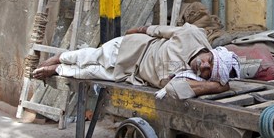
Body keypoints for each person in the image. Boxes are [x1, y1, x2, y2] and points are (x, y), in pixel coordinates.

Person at [32, 23, 240, 99]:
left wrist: (216, 87)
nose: (204, 66)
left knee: (88, 73)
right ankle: (59, 57)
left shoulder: (189, 78)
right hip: (133, 47)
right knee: (90, 56)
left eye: (208, 71)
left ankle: (58, 69)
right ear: (212, 52)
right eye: (209, 60)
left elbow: (176, 90)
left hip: (130, 74)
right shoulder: (193, 34)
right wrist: (139, 30)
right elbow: (161, 31)